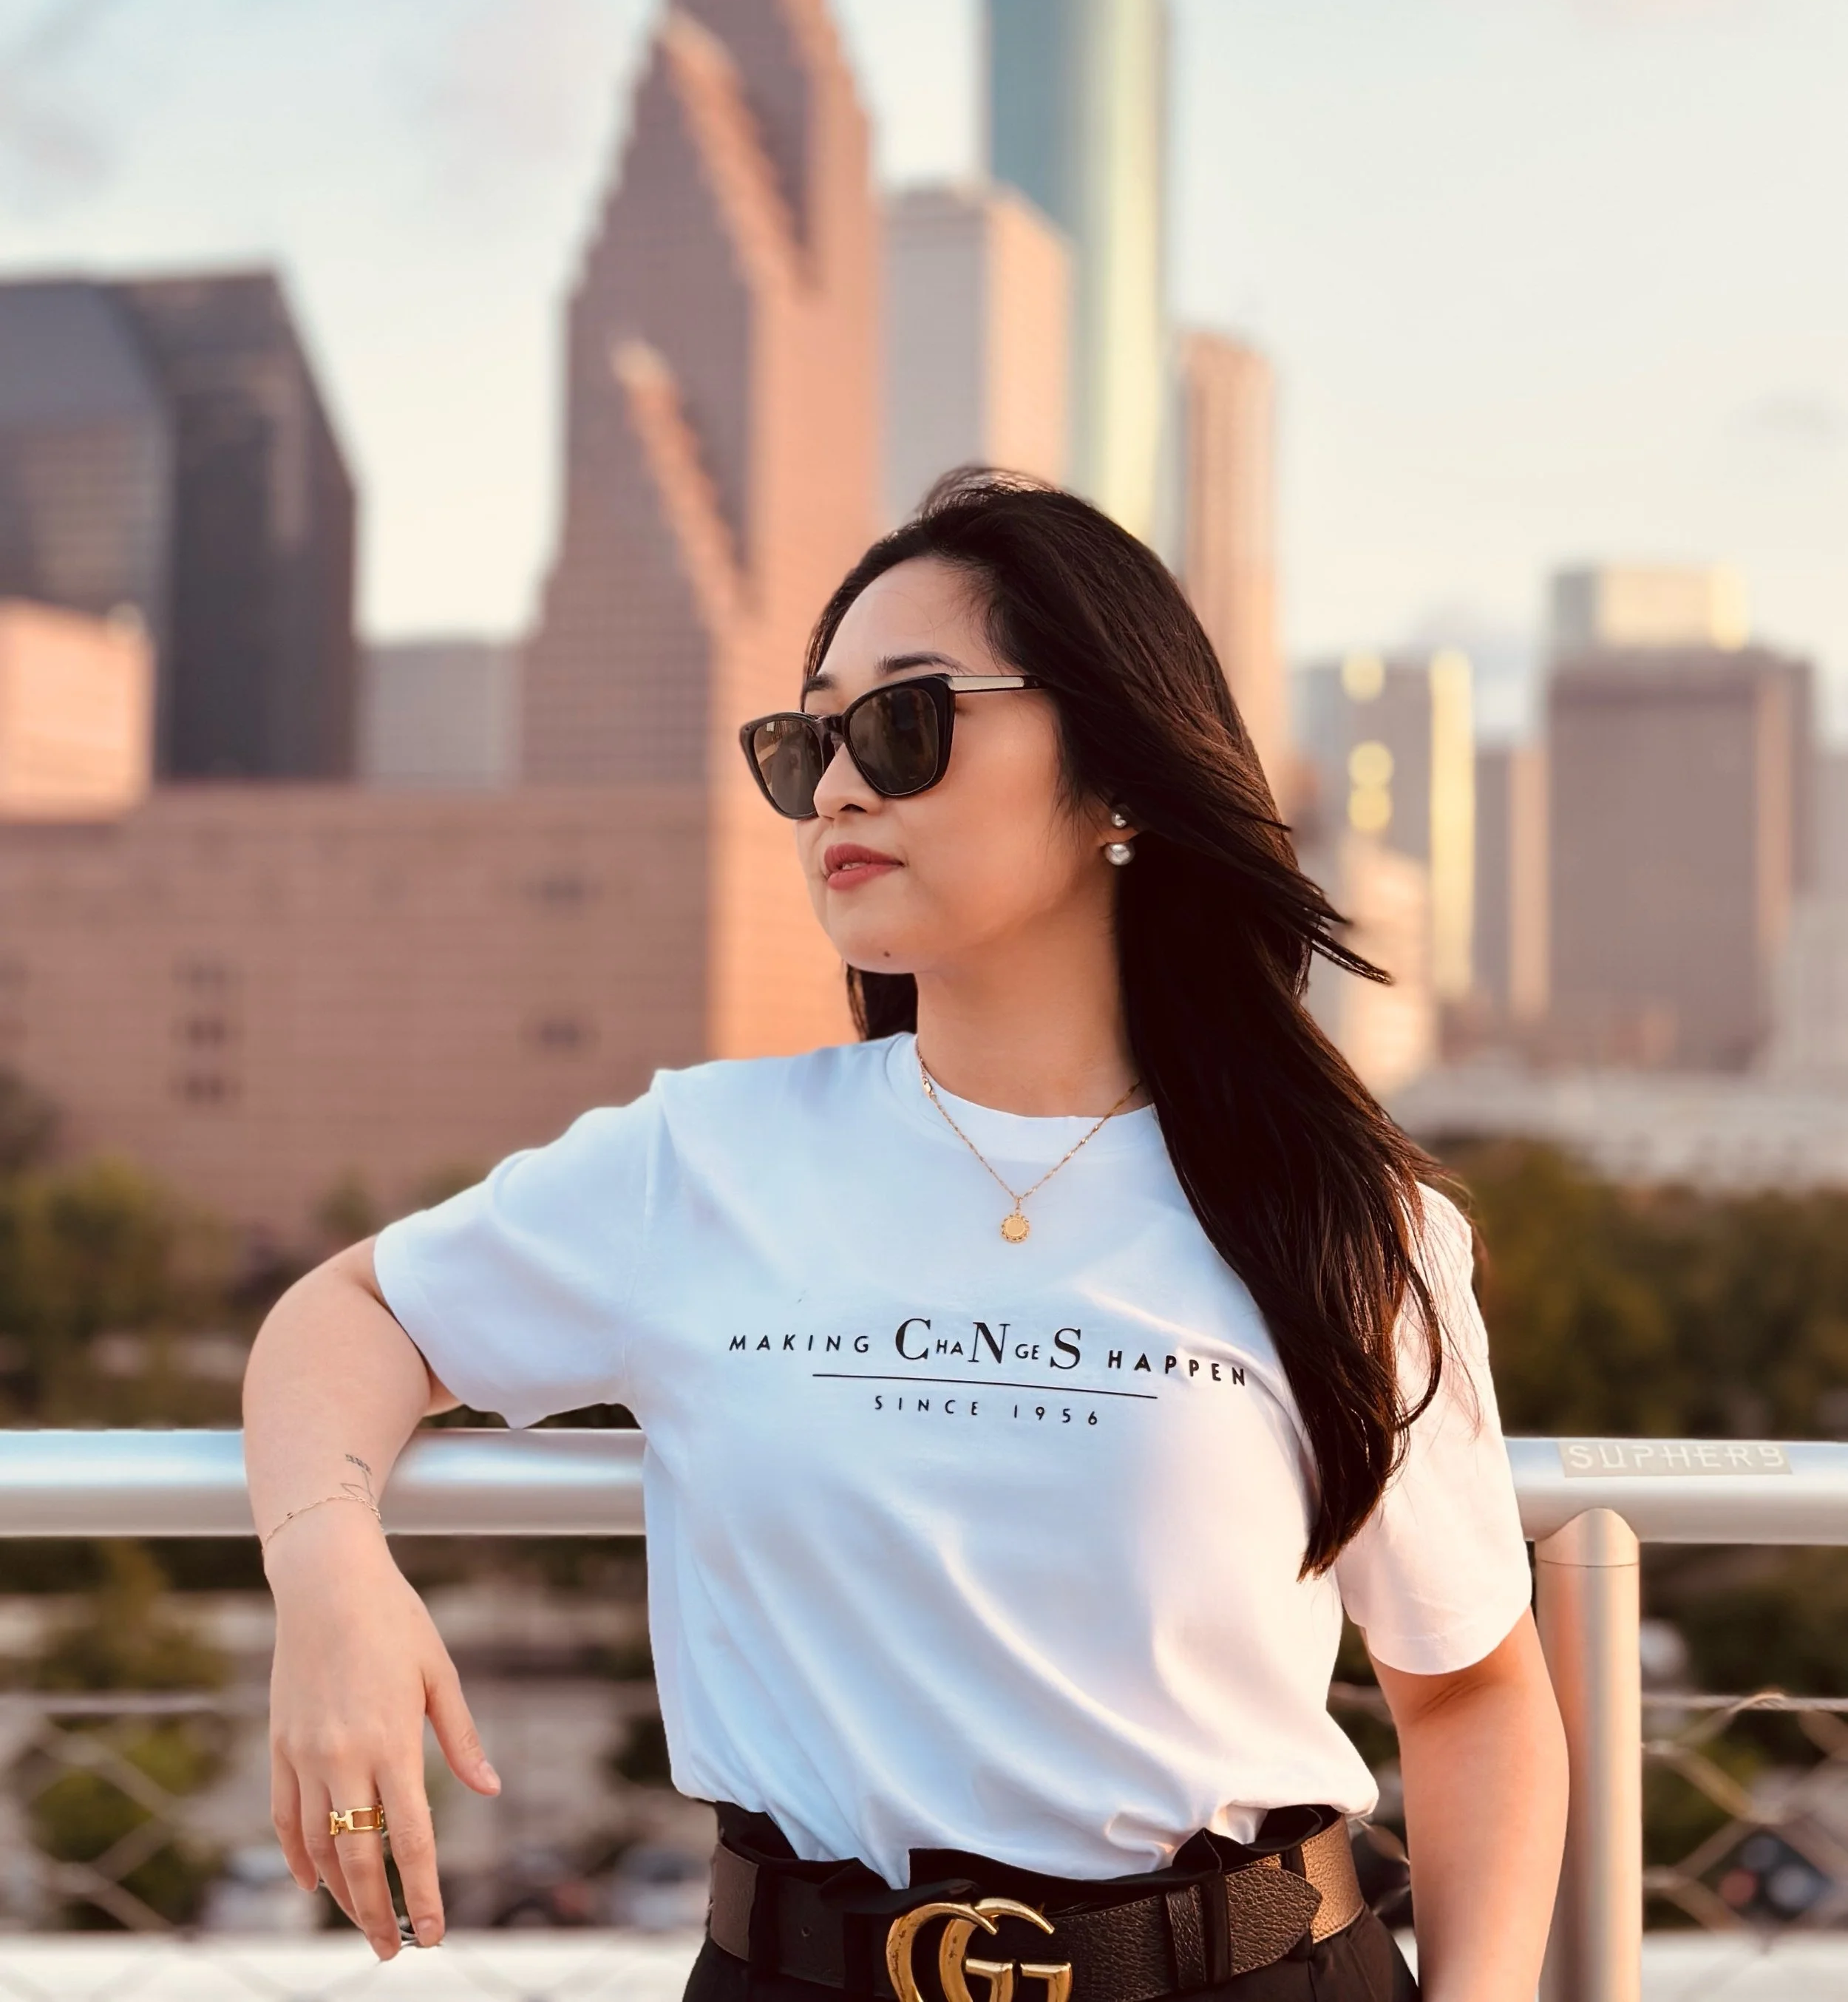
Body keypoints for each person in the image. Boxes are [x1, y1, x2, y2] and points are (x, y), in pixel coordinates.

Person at [245, 472, 1566, 2001]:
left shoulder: (1334, 1215)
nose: (837, 792)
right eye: (809, 743)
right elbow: (348, 1316)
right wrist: (333, 1577)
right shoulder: (702, 1158)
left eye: (905, 723)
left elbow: (1470, 1693)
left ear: (1118, 771)